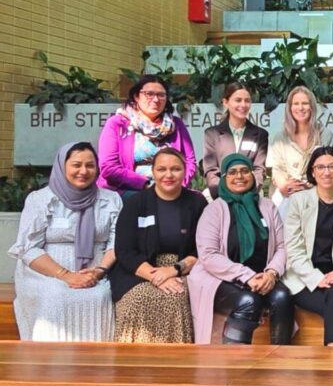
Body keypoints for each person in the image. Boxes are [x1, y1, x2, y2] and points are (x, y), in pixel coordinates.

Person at [8, 142, 121, 341]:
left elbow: (116, 242)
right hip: (45, 273)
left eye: (90, 165)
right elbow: (28, 248)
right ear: (62, 166)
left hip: (96, 272)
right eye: (76, 165)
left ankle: (96, 363)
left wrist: (99, 271)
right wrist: (66, 276)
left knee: (101, 296)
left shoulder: (110, 200)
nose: (83, 171)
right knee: (56, 297)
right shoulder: (41, 199)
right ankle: (52, 365)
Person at [190, 153, 293, 345]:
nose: (239, 176)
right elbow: (209, 255)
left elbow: (282, 246)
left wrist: (271, 273)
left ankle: (281, 358)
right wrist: (247, 276)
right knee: (248, 301)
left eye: (245, 171)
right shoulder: (214, 210)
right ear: (224, 178)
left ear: (252, 176)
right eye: (233, 172)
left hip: (263, 276)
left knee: (282, 296)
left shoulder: (268, 206)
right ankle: (236, 362)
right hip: (220, 277)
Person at [111, 147, 207, 343]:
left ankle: (174, 364)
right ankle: (135, 363)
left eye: (175, 169)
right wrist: (155, 276)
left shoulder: (197, 203)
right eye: (162, 169)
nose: (168, 175)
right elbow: (124, 250)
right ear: (153, 172)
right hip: (138, 270)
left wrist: (174, 270)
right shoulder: (135, 202)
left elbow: (203, 249)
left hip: (184, 269)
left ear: (185, 171)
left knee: (176, 298)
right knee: (138, 299)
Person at [284, 147, 333, 347]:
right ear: (312, 172)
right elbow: (294, 250)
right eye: (320, 167)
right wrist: (318, 278)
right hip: (304, 280)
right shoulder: (298, 201)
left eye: (332, 166)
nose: (326, 172)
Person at [97, 75, 197, 197]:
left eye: (161, 95)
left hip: (171, 190)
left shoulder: (176, 125)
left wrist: (177, 186)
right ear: (136, 96)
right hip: (128, 190)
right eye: (149, 94)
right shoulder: (117, 124)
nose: (155, 99)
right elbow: (109, 168)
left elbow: (190, 162)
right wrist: (146, 185)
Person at [203, 82, 269, 199]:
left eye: (247, 100)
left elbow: (259, 170)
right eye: (238, 100)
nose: (243, 105)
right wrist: (225, 193)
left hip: (250, 193)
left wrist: (248, 190)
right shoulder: (212, 134)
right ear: (226, 103)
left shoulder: (260, 134)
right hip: (220, 193)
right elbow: (211, 170)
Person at [267, 86, 323, 211]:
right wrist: (284, 186)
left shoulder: (324, 135)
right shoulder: (280, 137)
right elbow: (278, 169)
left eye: (305, 103)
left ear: (312, 107)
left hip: (316, 195)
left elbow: (326, 167)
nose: (300, 108)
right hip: (287, 194)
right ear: (290, 108)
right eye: (296, 104)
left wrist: (307, 186)